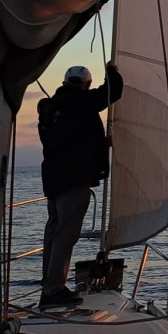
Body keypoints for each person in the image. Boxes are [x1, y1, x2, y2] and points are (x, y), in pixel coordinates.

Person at [37, 61, 123, 308]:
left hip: (53, 180)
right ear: (86, 84)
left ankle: (48, 286)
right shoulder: (82, 101)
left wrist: (98, 144)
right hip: (73, 179)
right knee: (66, 234)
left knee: (54, 231)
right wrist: (111, 72)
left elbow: (68, 139)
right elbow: (112, 92)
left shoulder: (51, 108)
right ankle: (53, 290)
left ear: (65, 82)